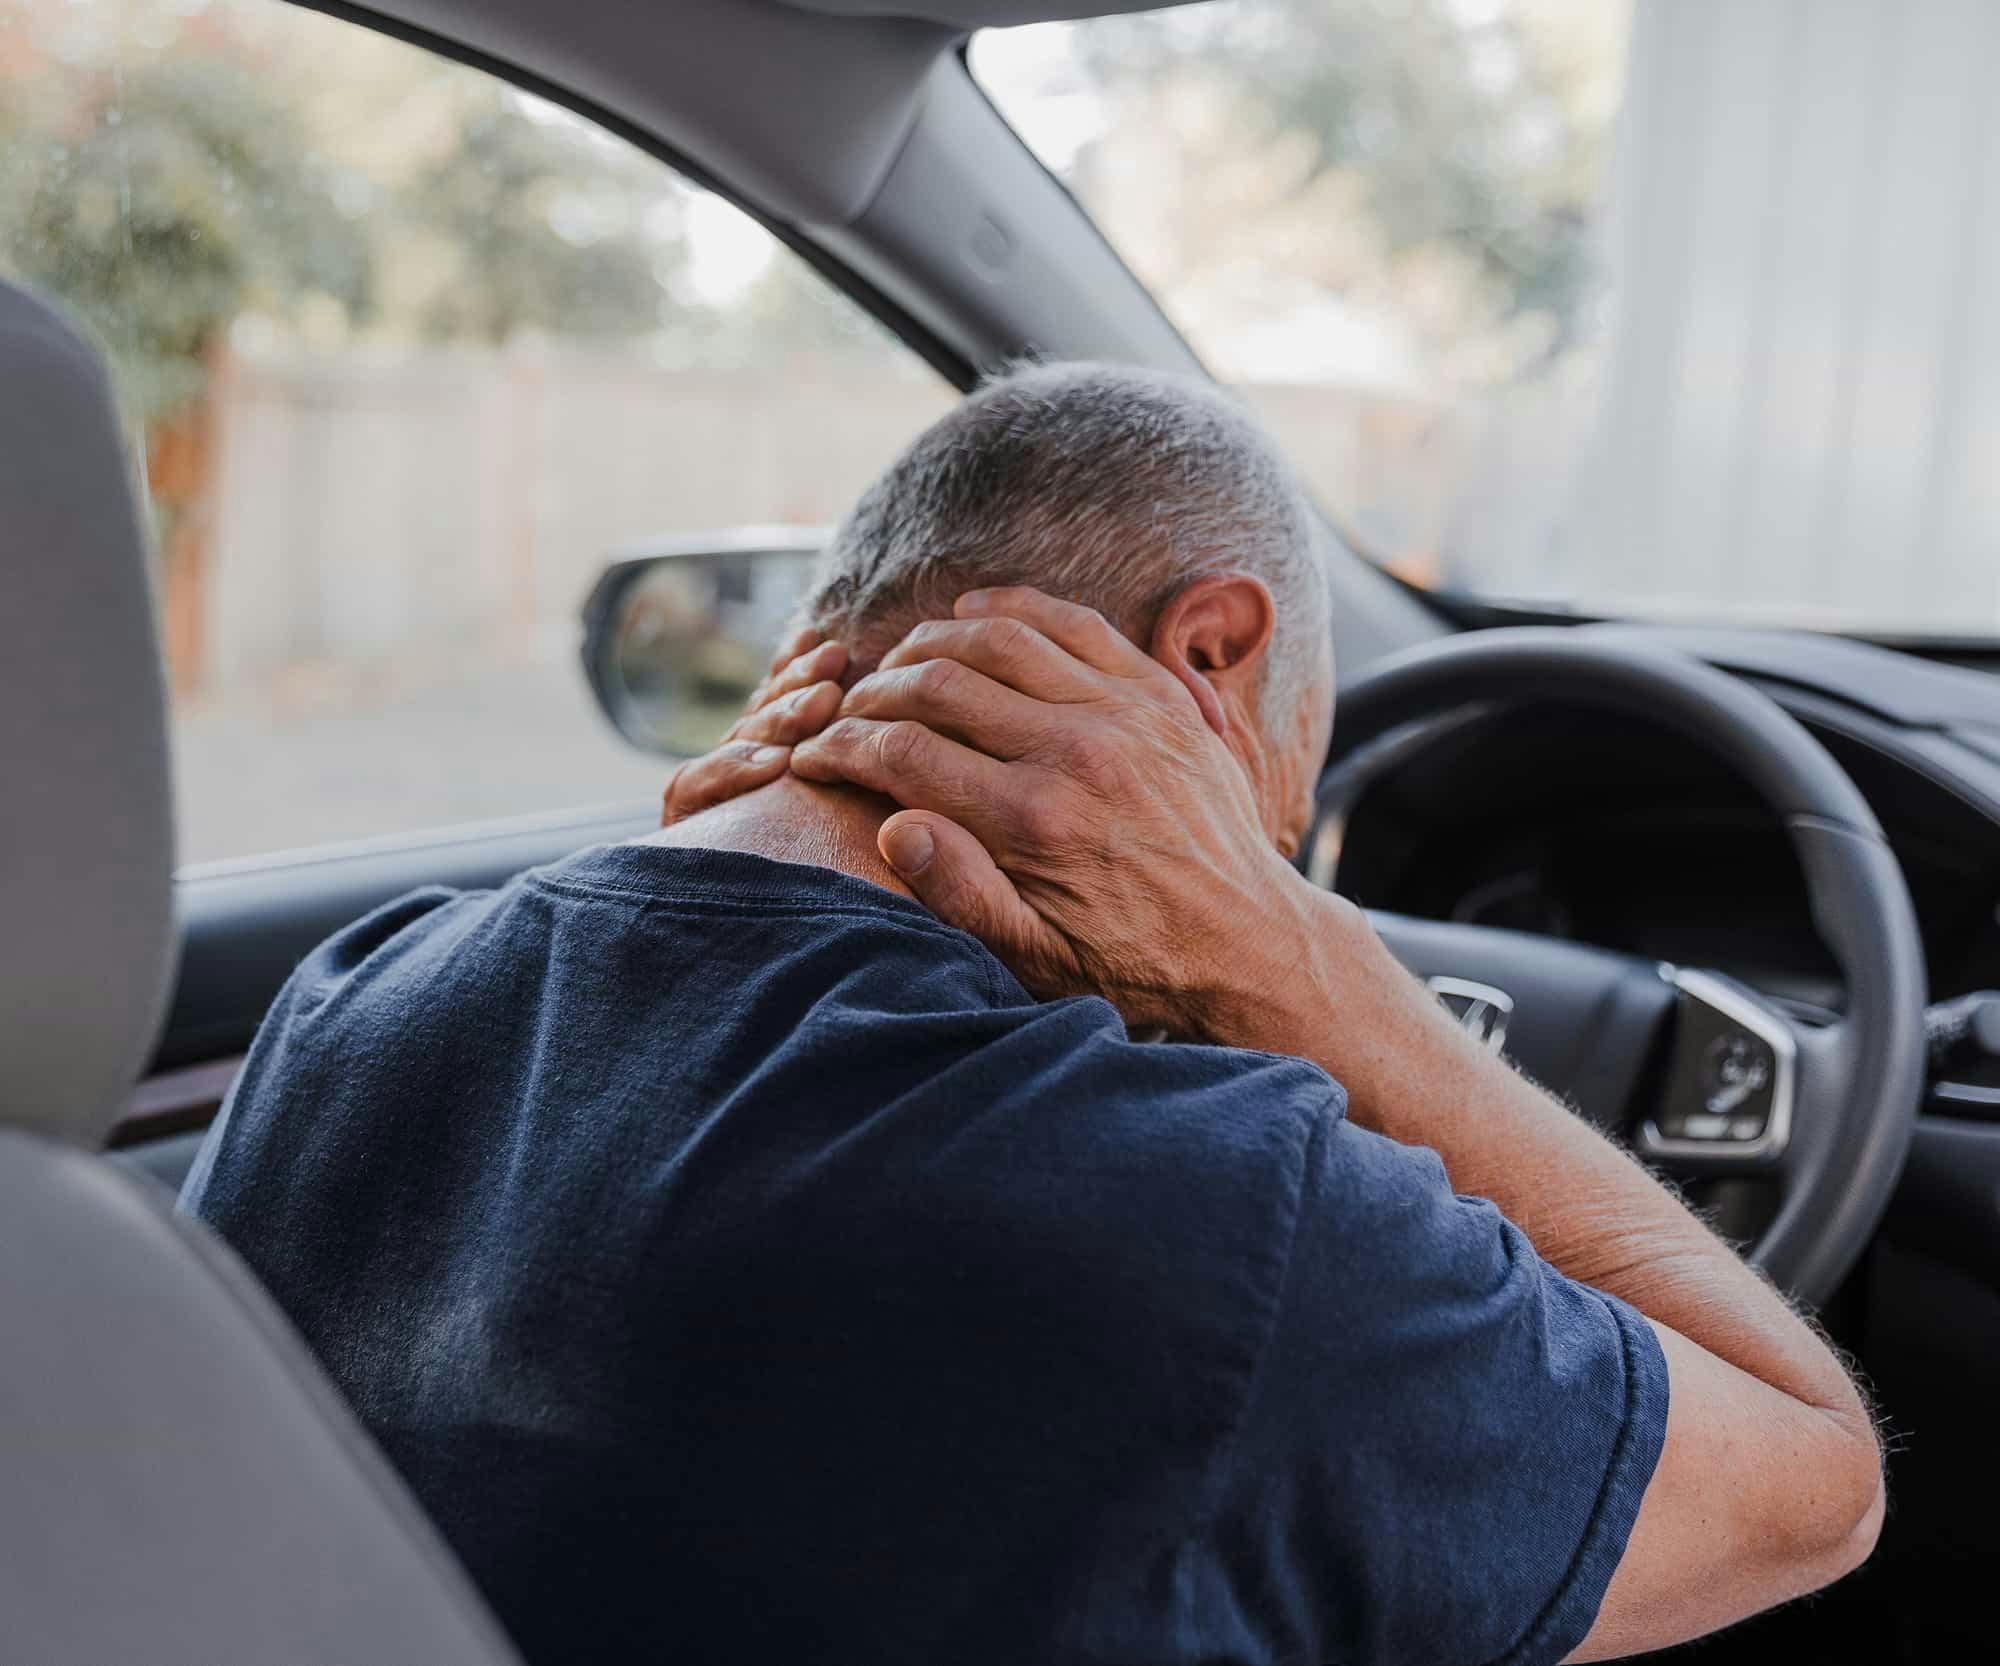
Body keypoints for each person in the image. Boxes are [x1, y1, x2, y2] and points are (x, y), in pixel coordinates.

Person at [183, 363, 1881, 1666]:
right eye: (1278, 827)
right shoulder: (1221, 1211)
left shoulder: (359, 1008)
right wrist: (1300, 969)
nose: (1271, 867)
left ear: (819, 654)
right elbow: (1818, 1481)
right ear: (1210, 655)